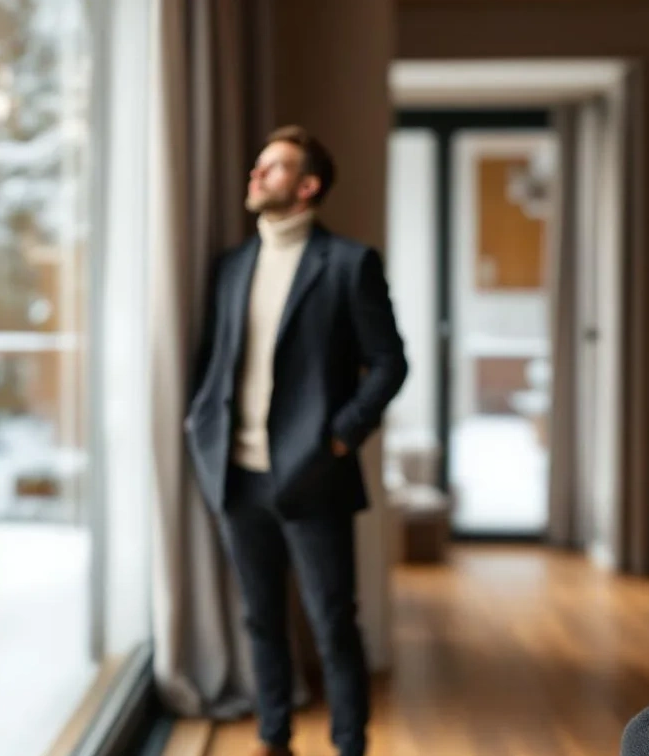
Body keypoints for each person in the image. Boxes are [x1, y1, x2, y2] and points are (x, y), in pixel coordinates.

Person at [182, 125, 408, 756]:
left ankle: (349, 744)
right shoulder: (232, 265)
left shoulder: (349, 264)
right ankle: (273, 739)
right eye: (259, 165)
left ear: (308, 187)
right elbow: (215, 359)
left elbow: (390, 363)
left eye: (274, 168)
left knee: (334, 624)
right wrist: (200, 422)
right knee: (260, 619)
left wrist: (341, 436)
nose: (256, 175)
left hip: (315, 475)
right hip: (236, 473)